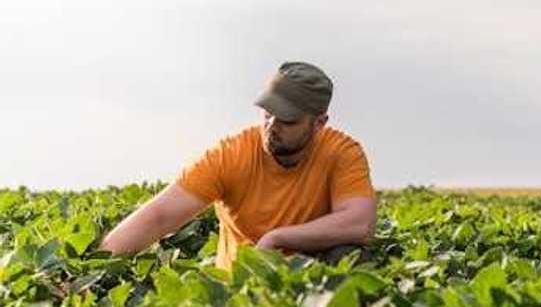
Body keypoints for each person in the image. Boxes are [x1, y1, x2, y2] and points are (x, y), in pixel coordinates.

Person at [100, 62, 377, 270]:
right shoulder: (231, 155)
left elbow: (359, 223)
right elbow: (159, 216)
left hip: (309, 288)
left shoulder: (342, 153)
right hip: (240, 291)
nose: (271, 127)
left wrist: (277, 238)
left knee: (349, 255)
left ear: (319, 124)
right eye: (268, 113)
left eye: (287, 120)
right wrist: (90, 267)